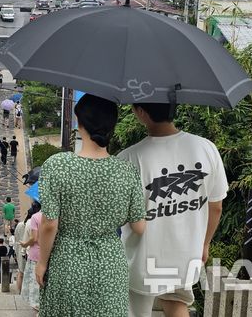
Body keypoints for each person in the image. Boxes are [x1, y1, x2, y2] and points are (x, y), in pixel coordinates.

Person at [35, 94, 146, 317]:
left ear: (79, 122)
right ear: (112, 126)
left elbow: (49, 224)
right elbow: (139, 227)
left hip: (68, 260)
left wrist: (41, 264)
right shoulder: (126, 171)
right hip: (110, 264)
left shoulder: (57, 165)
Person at [118, 103, 228, 317]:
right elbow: (216, 206)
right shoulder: (206, 148)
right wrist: (204, 244)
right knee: (176, 302)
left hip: (141, 258)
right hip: (186, 253)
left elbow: (120, 215)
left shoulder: (128, 158)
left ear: (141, 112)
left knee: (134, 311)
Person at [20, 202, 42, 311]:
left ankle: (37, 308)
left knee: (35, 282)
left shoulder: (35, 217)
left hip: (35, 254)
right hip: (48, 253)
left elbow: (34, 238)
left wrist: (24, 245)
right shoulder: (53, 216)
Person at [14, 214, 28, 293]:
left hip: (20, 249)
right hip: (29, 250)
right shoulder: (32, 224)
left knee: (21, 272)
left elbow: (16, 237)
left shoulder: (19, 225)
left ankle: (20, 291)